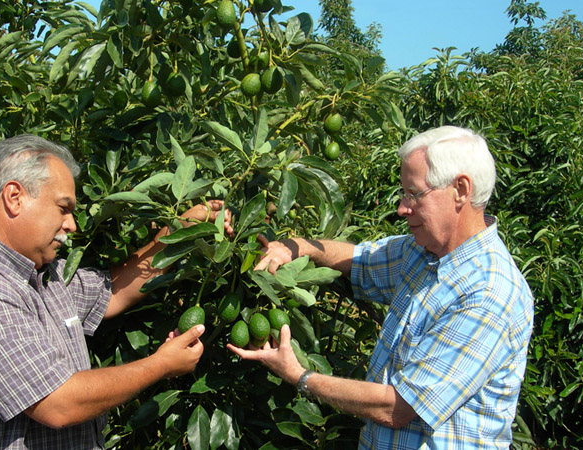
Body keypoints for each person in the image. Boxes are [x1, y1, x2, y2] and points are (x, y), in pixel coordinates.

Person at [0, 134, 232, 449]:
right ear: (14, 197)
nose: (71, 225)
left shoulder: (42, 274)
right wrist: (162, 365)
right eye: (63, 208)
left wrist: (182, 229)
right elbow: (59, 403)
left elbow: (113, 292)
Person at [228, 126, 534, 449]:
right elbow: (360, 259)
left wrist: (298, 376)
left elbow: (397, 408)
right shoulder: (422, 253)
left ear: (460, 189)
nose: (402, 208)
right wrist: (298, 246)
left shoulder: (488, 292)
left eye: (414, 194)